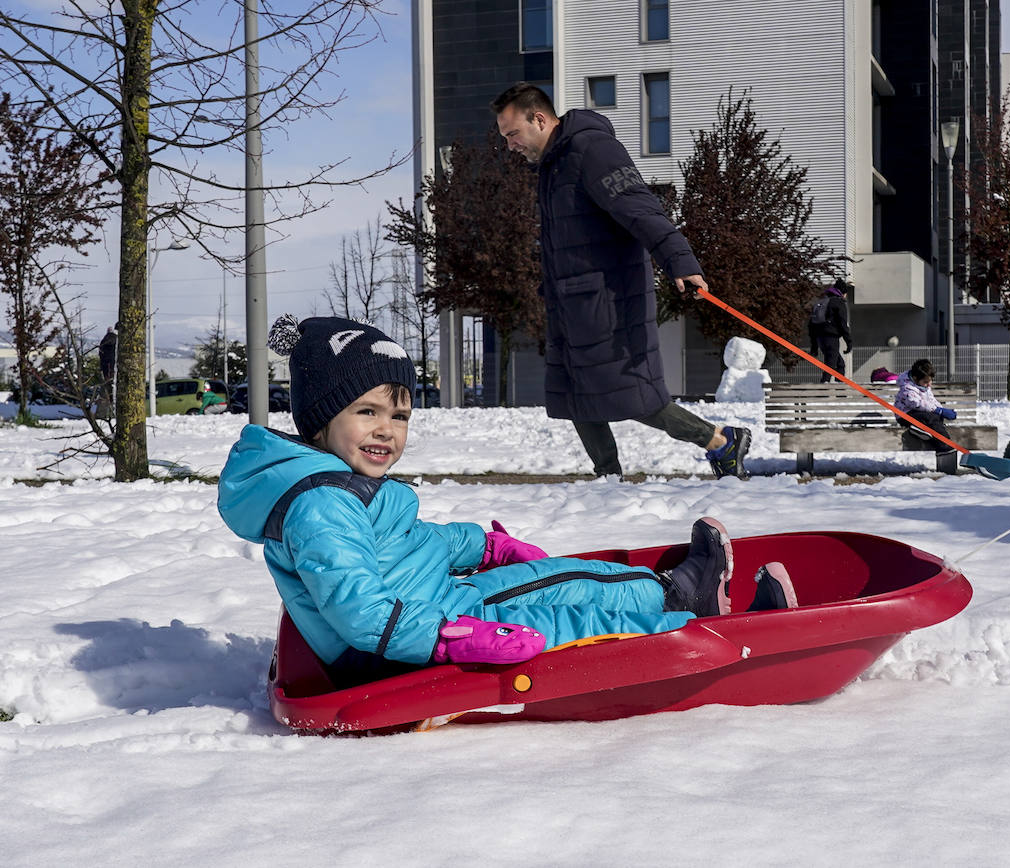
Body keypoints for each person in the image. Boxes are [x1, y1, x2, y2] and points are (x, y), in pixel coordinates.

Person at [217, 315, 797, 689]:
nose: (386, 431)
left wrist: (485, 546)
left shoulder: (342, 486)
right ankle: (707, 634)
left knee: (562, 576)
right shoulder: (320, 504)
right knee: (567, 622)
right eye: (366, 411)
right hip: (405, 645)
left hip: (436, 603)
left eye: (399, 415)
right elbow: (360, 612)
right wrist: (448, 638)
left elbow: (413, 543)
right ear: (322, 417)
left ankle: (679, 593)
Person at [490, 82, 750, 480]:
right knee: (576, 393)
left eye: (512, 134)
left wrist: (678, 260)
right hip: (571, 302)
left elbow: (639, 206)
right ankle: (608, 479)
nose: (510, 145)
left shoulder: (591, 150)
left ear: (539, 119)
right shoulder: (554, 165)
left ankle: (720, 441)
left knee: (632, 393)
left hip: (608, 300)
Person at [893, 358, 959, 475]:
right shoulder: (906, 387)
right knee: (930, 417)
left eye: (930, 381)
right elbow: (916, 404)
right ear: (915, 378)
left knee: (934, 418)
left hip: (920, 415)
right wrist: (938, 410)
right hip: (906, 415)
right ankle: (944, 445)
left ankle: (921, 430)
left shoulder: (924, 386)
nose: (929, 385)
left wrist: (942, 410)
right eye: (925, 382)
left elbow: (931, 401)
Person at [807, 281, 853, 383]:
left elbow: (811, 326)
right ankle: (823, 392)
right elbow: (843, 324)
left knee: (839, 364)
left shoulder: (821, 302)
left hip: (820, 339)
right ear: (842, 292)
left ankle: (840, 393)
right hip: (831, 338)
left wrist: (814, 346)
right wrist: (849, 342)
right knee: (831, 365)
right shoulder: (838, 303)